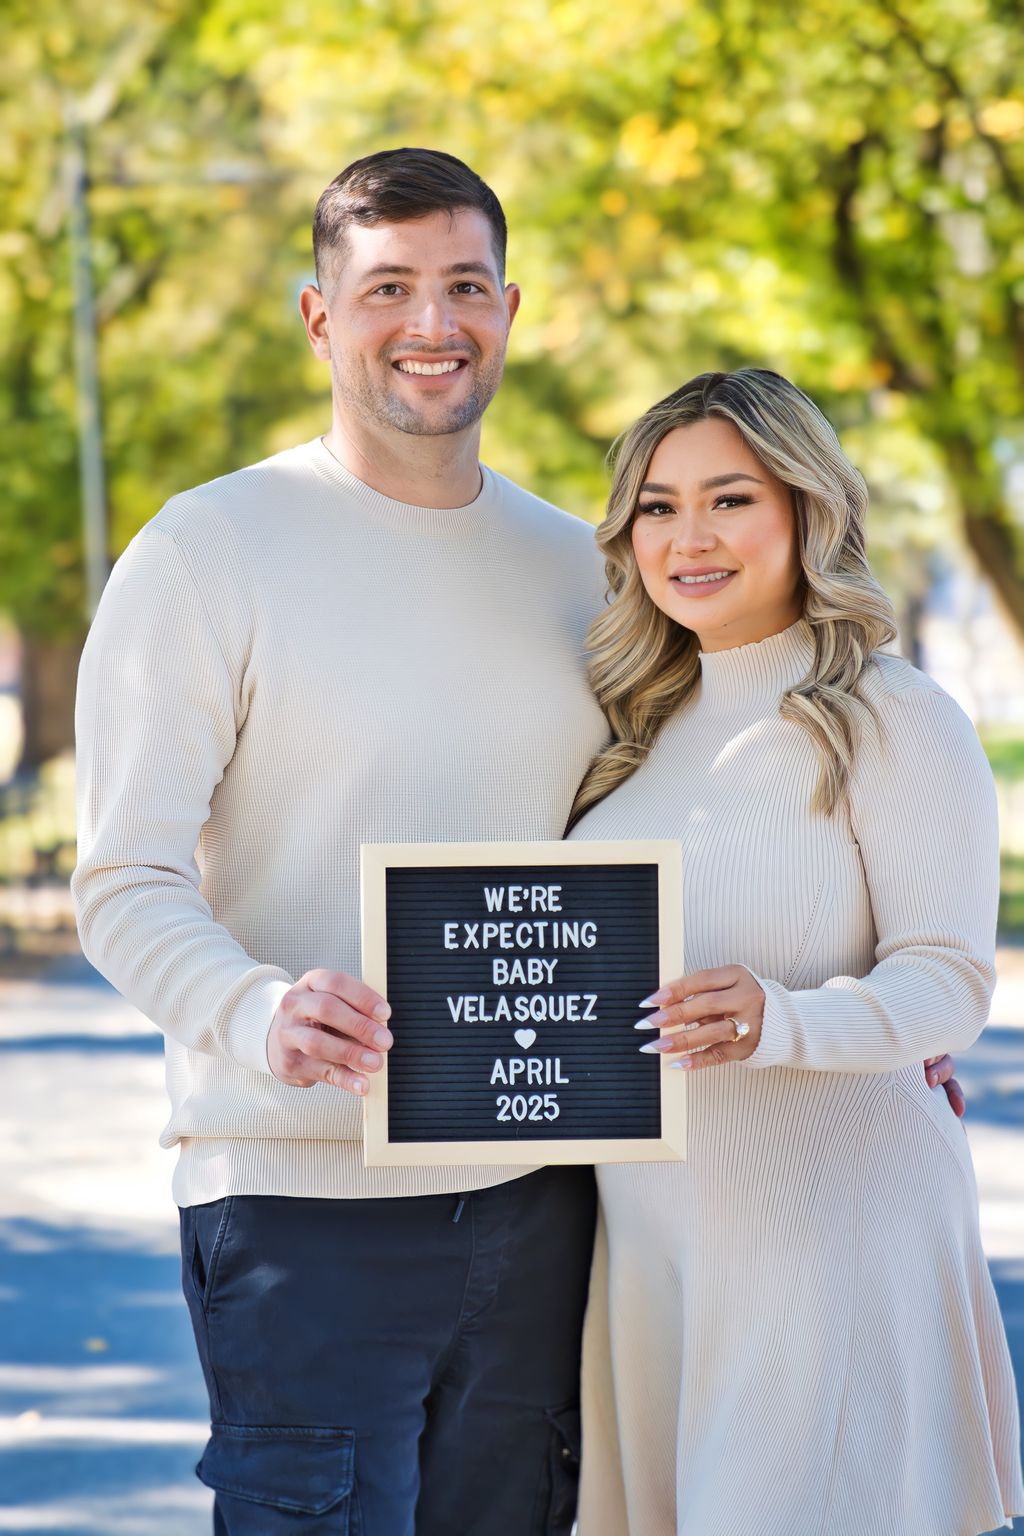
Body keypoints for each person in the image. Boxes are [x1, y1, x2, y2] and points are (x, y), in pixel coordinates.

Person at [72, 151, 962, 1534]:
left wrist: (855, 1013)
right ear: (321, 317)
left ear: (510, 308)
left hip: (550, 1204)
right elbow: (122, 880)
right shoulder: (207, 551)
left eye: (465, 286)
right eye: (388, 289)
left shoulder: (589, 574)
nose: (432, 321)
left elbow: (716, 802)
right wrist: (255, 1009)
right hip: (305, 1196)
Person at [567, 369, 1024, 1536]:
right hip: (653, 1253)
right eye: (658, 507)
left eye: (731, 499)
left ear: (805, 511)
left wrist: (786, 1020)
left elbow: (949, 977)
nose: (689, 537)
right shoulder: (633, 733)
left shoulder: (889, 713)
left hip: (827, 1238)